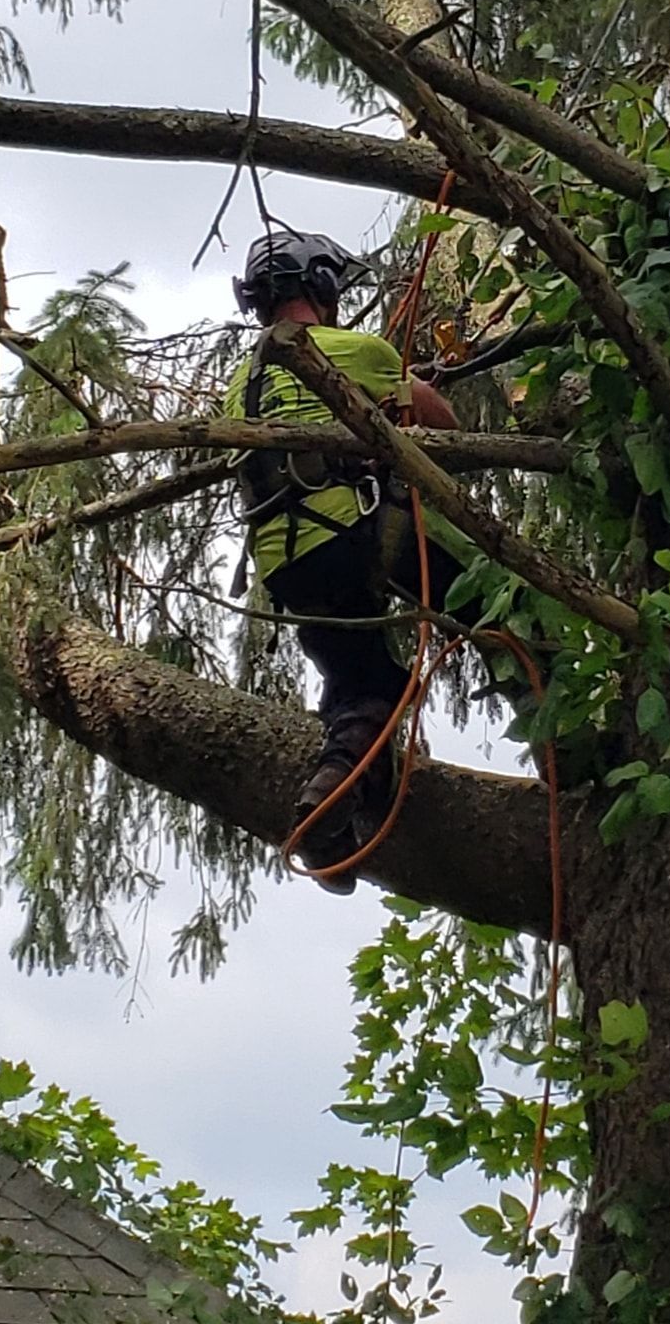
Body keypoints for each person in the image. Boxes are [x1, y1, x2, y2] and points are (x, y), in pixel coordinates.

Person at [223, 225, 472, 894]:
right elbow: (442, 423)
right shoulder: (356, 350)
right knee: (489, 596)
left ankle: (338, 811)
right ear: (323, 288)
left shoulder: (238, 385)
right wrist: (404, 387)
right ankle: (565, 740)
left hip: (286, 566)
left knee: (361, 687)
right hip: (359, 533)